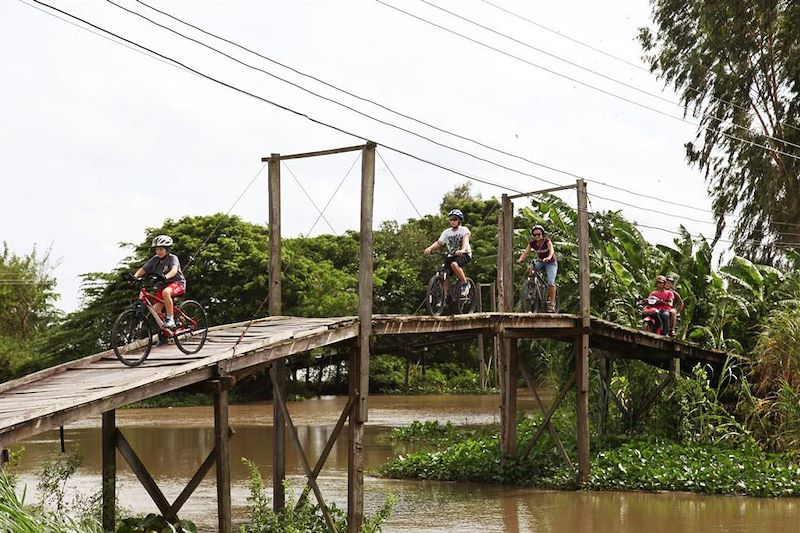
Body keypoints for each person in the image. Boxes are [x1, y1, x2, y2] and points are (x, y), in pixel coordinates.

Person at [134, 234, 186, 328]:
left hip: (177, 283)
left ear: (167, 249)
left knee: (166, 292)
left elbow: (174, 270)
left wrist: (166, 277)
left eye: (161, 249)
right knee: (155, 310)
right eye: (157, 249)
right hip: (162, 286)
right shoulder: (155, 259)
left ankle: (170, 319)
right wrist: (134, 277)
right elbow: (143, 269)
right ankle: (166, 331)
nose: (159, 252)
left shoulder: (173, 258)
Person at [424, 208, 472, 297]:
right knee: (443, 273)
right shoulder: (446, 232)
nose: (452, 221)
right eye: (451, 219)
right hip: (452, 255)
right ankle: (444, 298)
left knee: (454, 265)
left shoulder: (464, 230)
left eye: (455, 219)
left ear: (459, 221)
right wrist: (430, 248)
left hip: (464, 254)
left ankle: (465, 284)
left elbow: (465, 240)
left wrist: (462, 250)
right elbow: (439, 242)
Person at [517, 225, 558, 312]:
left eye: (538, 234)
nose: (537, 236)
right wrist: (520, 259)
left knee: (551, 282)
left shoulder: (547, 241)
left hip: (551, 262)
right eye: (535, 235)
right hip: (541, 262)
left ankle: (552, 303)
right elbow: (526, 252)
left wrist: (549, 257)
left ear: (542, 234)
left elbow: (551, 251)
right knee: (531, 267)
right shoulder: (532, 243)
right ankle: (532, 285)